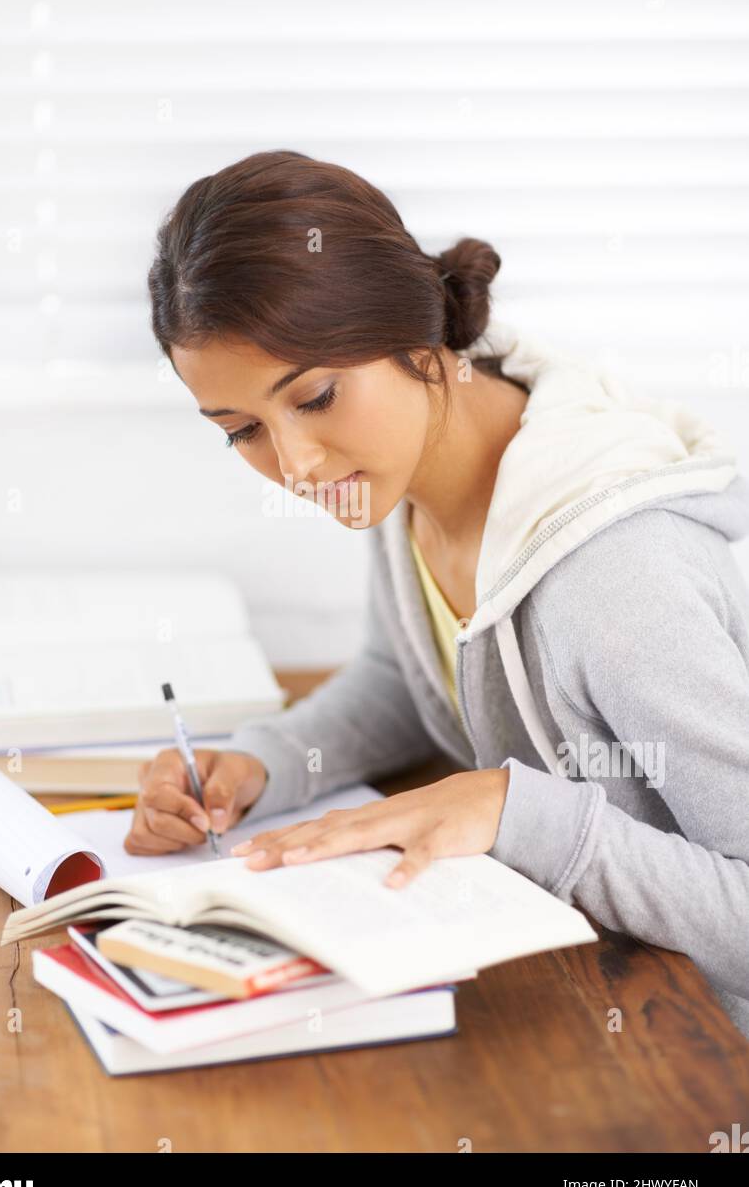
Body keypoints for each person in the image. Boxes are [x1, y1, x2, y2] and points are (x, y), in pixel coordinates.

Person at [127, 148, 749, 1038]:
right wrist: (264, 762)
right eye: (241, 432)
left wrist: (513, 811)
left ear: (418, 340)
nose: (295, 466)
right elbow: (409, 678)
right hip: (575, 994)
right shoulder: (403, 478)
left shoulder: (620, 580)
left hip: (699, 1068)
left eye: (315, 397)